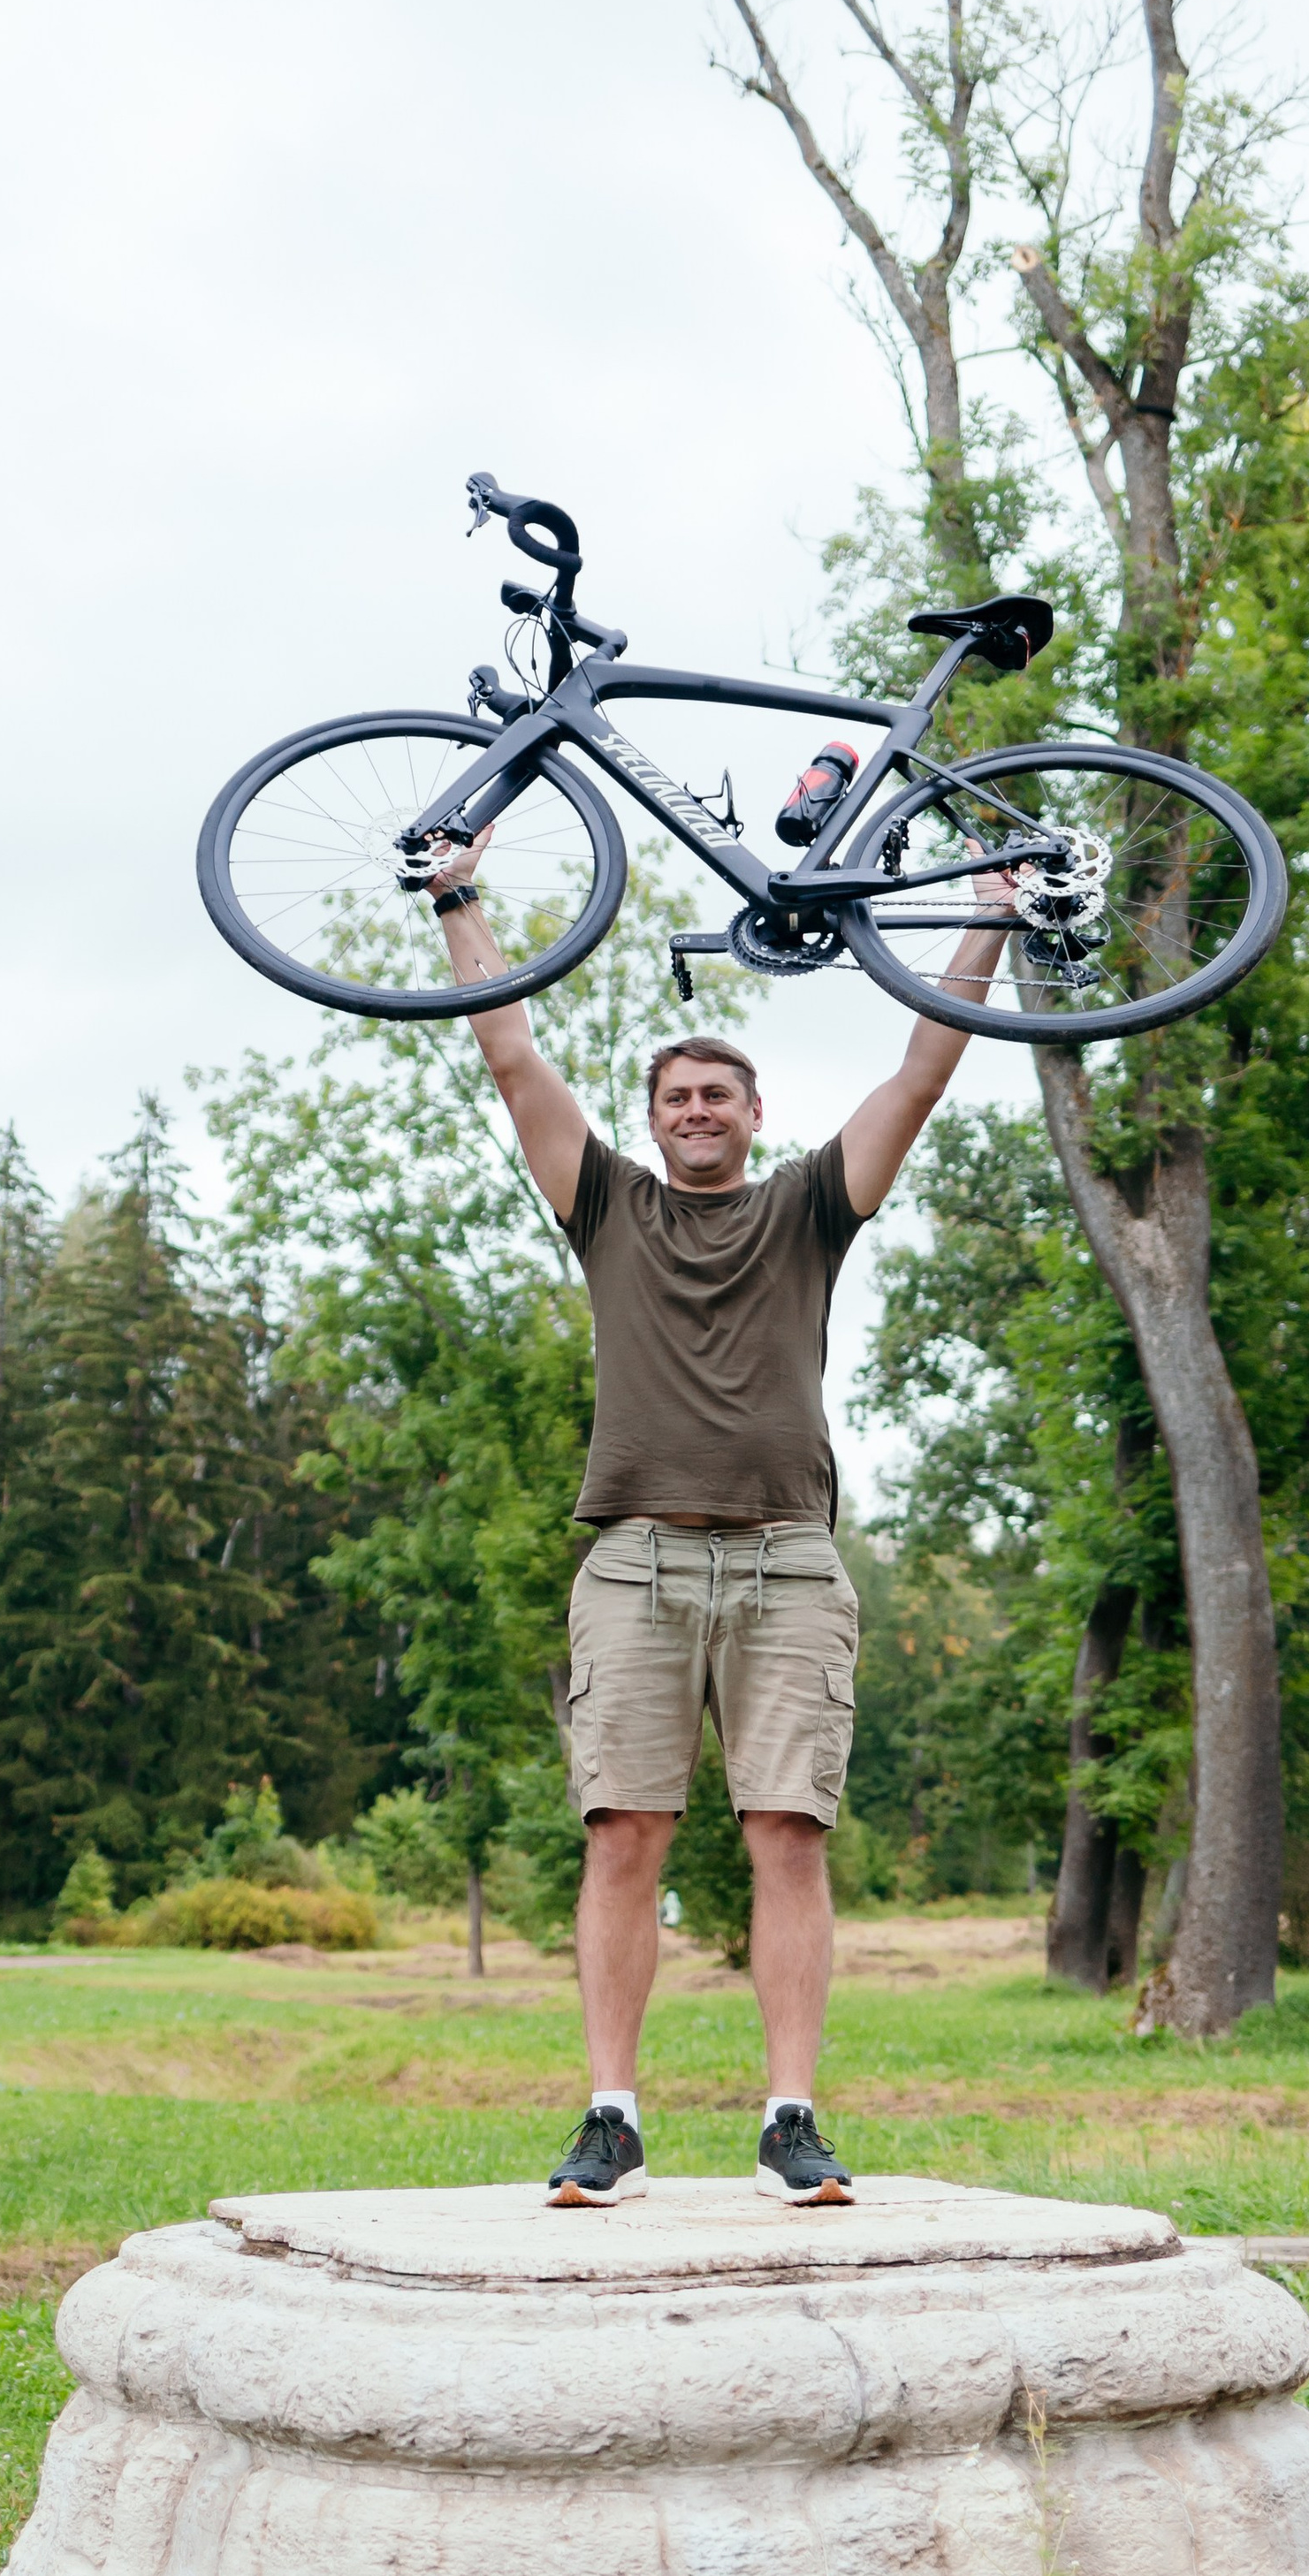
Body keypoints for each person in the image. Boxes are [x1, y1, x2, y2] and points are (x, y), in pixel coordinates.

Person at [425, 832, 1008, 2206]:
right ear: (655, 1116)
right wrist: (457, 896)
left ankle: (790, 2118)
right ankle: (611, 2118)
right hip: (633, 1557)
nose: (697, 1110)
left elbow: (923, 1071)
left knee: (784, 1831)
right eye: (677, 1095)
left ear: (754, 1116)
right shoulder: (606, 1205)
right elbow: (508, 1052)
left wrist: (988, 926)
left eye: (719, 1095)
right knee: (624, 1830)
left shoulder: (810, 1206)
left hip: (788, 1562)